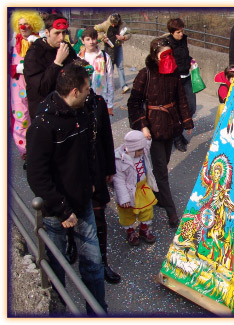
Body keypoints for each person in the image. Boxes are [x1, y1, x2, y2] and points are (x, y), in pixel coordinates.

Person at [26, 63, 107, 315]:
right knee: (56, 268)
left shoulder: (81, 112)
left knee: (93, 266)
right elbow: (37, 175)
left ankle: (97, 313)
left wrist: (91, 181)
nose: (89, 93)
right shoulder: (42, 125)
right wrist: (62, 211)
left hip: (82, 203)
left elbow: (88, 151)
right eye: (85, 89)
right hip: (56, 213)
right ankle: (59, 315)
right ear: (73, 91)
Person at [127, 36, 194, 228]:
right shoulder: (145, 74)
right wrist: (143, 125)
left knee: (162, 163)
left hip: (170, 125)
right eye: (164, 54)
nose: (168, 58)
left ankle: (155, 194)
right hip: (154, 128)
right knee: (161, 171)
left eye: (170, 54)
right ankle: (171, 212)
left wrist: (187, 122)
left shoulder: (173, 74)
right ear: (155, 56)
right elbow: (134, 102)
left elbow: (181, 99)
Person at [72, 59, 121, 283]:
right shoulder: (64, 106)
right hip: (73, 172)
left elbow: (106, 138)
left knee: (100, 216)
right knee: (73, 215)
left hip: (97, 166)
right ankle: (72, 247)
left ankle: (102, 262)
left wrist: (109, 167)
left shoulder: (97, 102)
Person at [24, 12, 77, 119]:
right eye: (57, 33)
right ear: (47, 32)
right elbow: (42, 88)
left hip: (65, 108)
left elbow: (74, 67)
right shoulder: (34, 54)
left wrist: (83, 67)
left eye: (63, 33)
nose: (61, 37)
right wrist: (57, 62)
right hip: (44, 112)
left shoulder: (65, 46)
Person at [9, 10, 43, 162]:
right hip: (18, 86)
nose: (23, 27)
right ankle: (25, 151)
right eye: (20, 24)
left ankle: (38, 149)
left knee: (38, 116)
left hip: (36, 84)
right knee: (21, 117)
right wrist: (16, 69)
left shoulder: (39, 41)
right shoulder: (11, 44)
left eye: (26, 24)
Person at [113, 130, 159, 246]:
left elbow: (146, 146)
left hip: (142, 188)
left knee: (147, 210)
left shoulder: (142, 151)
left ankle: (143, 229)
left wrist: (148, 138)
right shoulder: (120, 160)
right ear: (132, 149)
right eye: (138, 150)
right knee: (127, 213)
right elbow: (119, 181)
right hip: (128, 192)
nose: (141, 152)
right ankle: (130, 232)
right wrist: (124, 199)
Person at [166, 18, 196, 152]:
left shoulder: (183, 40)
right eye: (178, 32)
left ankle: (178, 131)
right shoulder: (167, 44)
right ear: (172, 33)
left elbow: (185, 56)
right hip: (175, 80)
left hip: (187, 77)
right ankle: (177, 137)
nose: (181, 34)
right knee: (177, 110)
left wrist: (191, 61)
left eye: (182, 31)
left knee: (191, 107)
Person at [78, 27, 114, 116]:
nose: (91, 42)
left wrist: (110, 104)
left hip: (101, 99)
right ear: (83, 41)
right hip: (83, 101)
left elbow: (110, 81)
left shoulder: (104, 57)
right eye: (88, 39)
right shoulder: (79, 58)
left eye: (93, 38)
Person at [94, 13, 131, 94]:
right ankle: (109, 85)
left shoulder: (123, 24)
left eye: (115, 24)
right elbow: (96, 29)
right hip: (108, 48)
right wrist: (102, 37)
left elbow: (129, 33)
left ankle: (123, 85)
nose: (113, 26)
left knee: (120, 66)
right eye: (112, 24)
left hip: (118, 46)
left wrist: (123, 37)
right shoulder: (106, 24)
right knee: (109, 67)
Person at [213, 64, 234, 129]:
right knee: (223, 127)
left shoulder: (233, 86)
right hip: (224, 109)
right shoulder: (223, 87)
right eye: (232, 79)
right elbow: (226, 99)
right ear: (227, 77)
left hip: (232, 108)